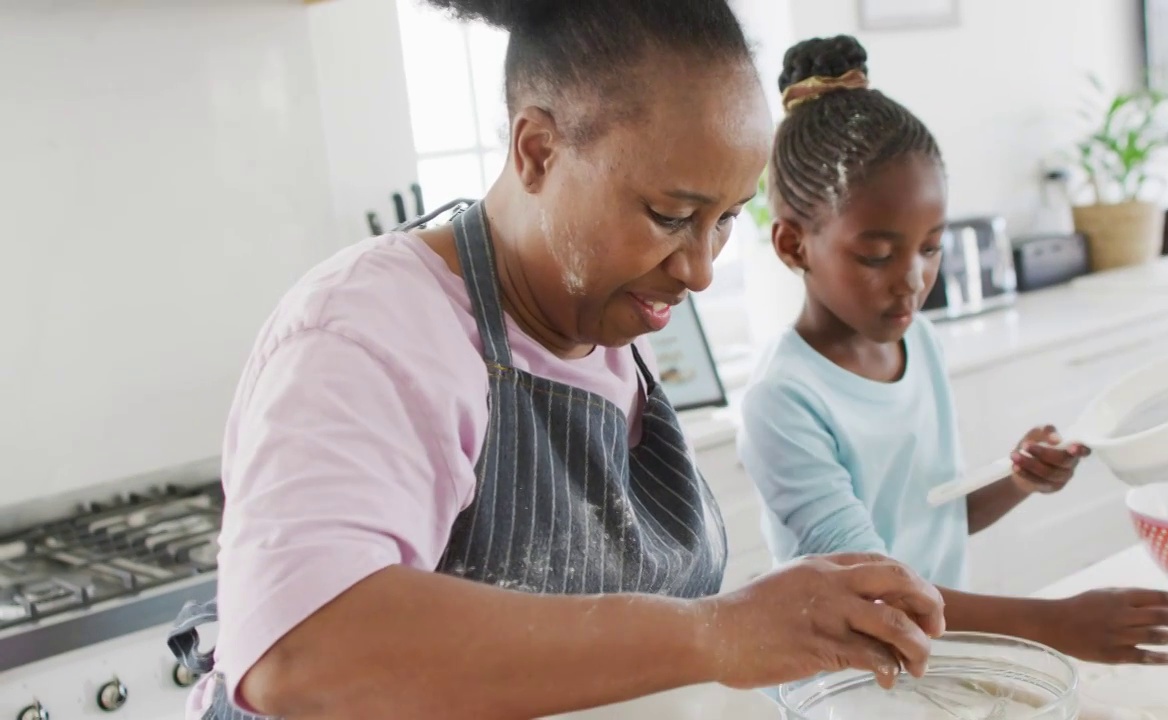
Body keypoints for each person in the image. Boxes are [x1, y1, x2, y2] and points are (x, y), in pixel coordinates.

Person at [165, 5, 949, 720]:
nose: (701, 269)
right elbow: (303, 654)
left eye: (723, 221)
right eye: (671, 216)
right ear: (538, 150)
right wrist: (715, 632)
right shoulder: (368, 329)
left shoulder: (602, 325)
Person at [737, 35, 1168, 668]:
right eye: (877, 255)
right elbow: (876, 592)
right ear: (793, 245)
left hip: (926, 661)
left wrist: (1014, 481)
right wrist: (1059, 623)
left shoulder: (916, 342)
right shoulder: (783, 401)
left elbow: (933, 518)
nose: (912, 279)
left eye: (930, 247)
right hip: (837, 687)